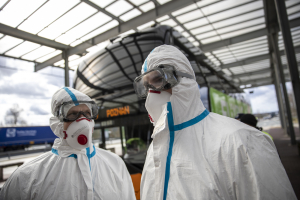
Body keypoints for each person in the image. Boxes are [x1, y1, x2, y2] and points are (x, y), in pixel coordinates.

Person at [133, 45, 296, 200]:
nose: (152, 93)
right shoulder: (154, 151)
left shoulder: (240, 141)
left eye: (157, 80)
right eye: (147, 86)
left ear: (183, 80)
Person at [0, 87, 136, 200]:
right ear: (57, 123)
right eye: (73, 114)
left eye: (87, 113)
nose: (83, 121)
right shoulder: (26, 177)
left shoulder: (115, 164)